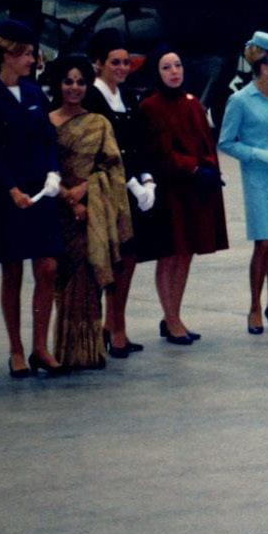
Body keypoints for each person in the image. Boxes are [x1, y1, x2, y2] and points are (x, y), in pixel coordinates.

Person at [0, 18, 66, 378]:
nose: (32, 60)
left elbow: (48, 138)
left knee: (47, 267)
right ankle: (15, 349)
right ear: (8, 55)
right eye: (26, 54)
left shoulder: (34, 93)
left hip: (41, 192)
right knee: (12, 272)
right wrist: (11, 189)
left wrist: (53, 172)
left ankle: (40, 346)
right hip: (9, 197)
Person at [47, 54, 132, 372]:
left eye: (81, 82)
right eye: (68, 81)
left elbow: (112, 168)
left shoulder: (99, 123)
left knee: (89, 274)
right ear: (58, 84)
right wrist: (67, 197)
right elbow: (40, 167)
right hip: (56, 210)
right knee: (63, 277)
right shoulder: (46, 122)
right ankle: (65, 350)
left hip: (91, 212)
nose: (74, 87)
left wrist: (86, 189)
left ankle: (89, 349)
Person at [137, 47, 228, 344]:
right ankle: (171, 317)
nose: (174, 72)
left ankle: (173, 315)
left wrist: (210, 168)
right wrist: (194, 168)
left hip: (193, 191)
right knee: (170, 254)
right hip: (170, 190)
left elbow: (206, 142)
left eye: (177, 65)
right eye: (166, 67)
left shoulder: (192, 104)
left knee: (186, 253)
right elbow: (160, 151)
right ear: (157, 72)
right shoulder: (150, 107)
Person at [82, 29, 157, 358]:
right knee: (106, 261)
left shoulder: (126, 97)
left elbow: (138, 143)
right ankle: (104, 328)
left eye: (126, 62)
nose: (123, 68)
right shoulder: (91, 99)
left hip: (130, 191)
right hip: (105, 191)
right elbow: (98, 150)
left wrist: (147, 179)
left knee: (127, 258)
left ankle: (116, 324)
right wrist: (130, 183)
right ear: (98, 63)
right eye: (115, 62)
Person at [218, 31, 268, 333]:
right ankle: (254, 306)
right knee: (263, 242)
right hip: (258, 179)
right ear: (263, 67)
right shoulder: (240, 100)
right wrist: (257, 154)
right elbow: (226, 141)